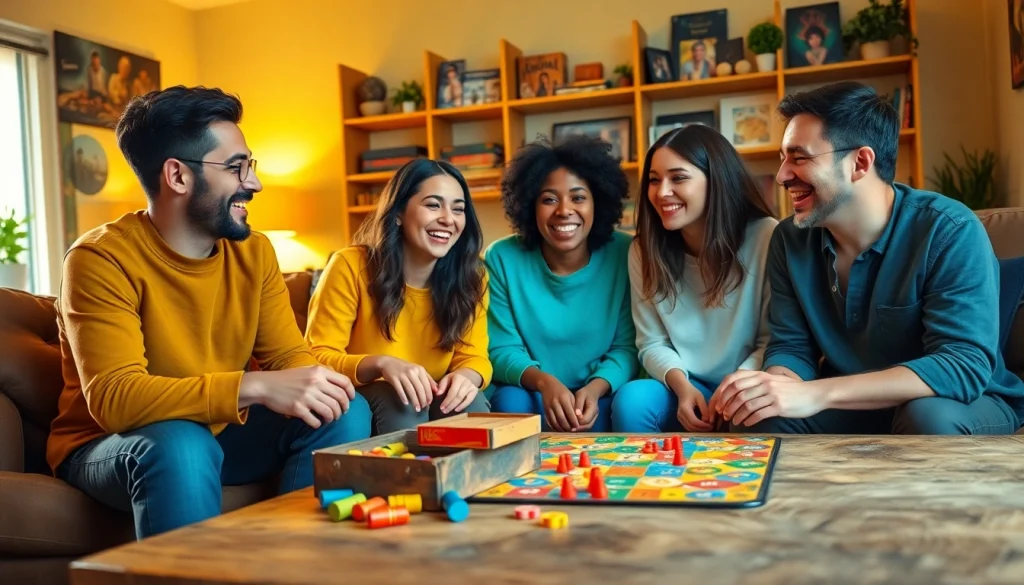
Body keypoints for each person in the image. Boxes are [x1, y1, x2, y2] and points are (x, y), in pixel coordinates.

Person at [46, 86, 372, 540]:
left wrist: (327, 380)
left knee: (343, 409)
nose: (254, 183)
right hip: (111, 446)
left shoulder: (254, 253)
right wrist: (253, 386)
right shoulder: (99, 259)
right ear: (177, 176)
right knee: (182, 442)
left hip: (217, 431)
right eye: (237, 168)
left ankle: (296, 560)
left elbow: (290, 357)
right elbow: (115, 400)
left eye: (250, 166)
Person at [715, 81, 1024, 435]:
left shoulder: (949, 230)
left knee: (927, 418)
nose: (783, 175)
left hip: (960, 402)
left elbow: (961, 365)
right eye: (783, 158)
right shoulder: (790, 239)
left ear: (860, 162)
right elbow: (792, 346)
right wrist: (774, 389)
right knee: (764, 418)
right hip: (850, 403)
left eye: (799, 158)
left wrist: (816, 393)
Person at [304, 158, 492, 434]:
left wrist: (467, 377)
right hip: (366, 396)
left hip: (433, 391)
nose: (448, 219)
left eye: (458, 209)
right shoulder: (350, 265)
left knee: (468, 402)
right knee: (402, 401)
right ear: (398, 213)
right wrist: (381, 364)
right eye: (433, 205)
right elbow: (317, 356)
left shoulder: (472, 275)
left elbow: (474, 356)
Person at [611, 125, 778, 433]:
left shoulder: (766, 236)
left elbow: (772, 341)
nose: (662, 193)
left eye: (679, 178)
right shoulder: (643, 250)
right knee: (632, 401)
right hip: (684, 384)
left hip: (747, 381)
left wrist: (734, 389)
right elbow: (651, 343)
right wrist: (684, 387)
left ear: (716, 181)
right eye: (654, 180)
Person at [486, 136, 639, 432]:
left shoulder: (625, 252)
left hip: (601, 393)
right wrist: (546, 384)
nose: (564, 210)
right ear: (530, 206)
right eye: (549, 199)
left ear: (599, 202)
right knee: (509, 404)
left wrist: (595, 389)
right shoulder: (502, 258)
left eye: (578, 197)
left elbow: (627, 346)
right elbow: (502, 348)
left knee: (626, 405)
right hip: (531, 391)